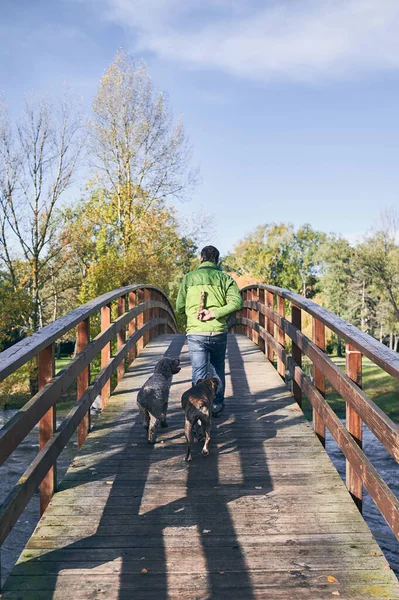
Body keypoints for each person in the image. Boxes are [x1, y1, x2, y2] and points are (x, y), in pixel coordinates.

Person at [176, 245, 242, 416]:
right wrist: (215, 313)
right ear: (217, 261)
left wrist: (192, 313)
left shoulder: (189, 278)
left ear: (201, 259)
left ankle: (196, 407)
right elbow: (237, 303)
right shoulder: (225, 279)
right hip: (218, 332)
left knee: (198, 371)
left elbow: (179, 307)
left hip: (196, 332)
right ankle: (217, 404)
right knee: (217, 368)